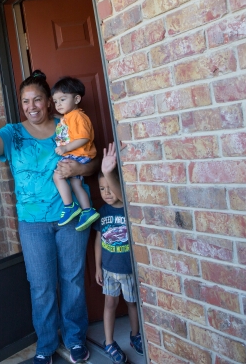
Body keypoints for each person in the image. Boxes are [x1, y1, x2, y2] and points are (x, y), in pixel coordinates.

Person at [0, 70, 96, 364]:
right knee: (42, 285)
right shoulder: (13, 133)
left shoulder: (66, 125)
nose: (32, 106)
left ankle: (75, 340)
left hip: (72, 218)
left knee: (73, 281)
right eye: (26, 101)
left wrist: (78, 170)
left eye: (38, 99)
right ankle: (46, 344)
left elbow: (90, 164)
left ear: (49, 101)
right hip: (33, 223)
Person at [94, 143, 143, 363]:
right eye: (102, 189)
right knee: (110, 305)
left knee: (132, 304)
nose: (107, 193)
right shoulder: (102, 212)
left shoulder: (126, 207)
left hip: (128, 269)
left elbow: (121, 195)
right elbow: (98, 240)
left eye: (110, 188)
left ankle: (135, 336)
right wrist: (97, 267)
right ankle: (109, 342)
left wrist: (108, 171)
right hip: (110, 270)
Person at [51, 77, 99, 231]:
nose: (58, 104)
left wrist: (66, 149)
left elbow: (84, 137)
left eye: (62, 99)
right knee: (76, 183)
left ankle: (69, 206)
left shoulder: (77, 116)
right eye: (55, 101)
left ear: (77, 99)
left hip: (78, 154)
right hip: (78, 155)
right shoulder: (69, 116)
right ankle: (87, 211)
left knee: (57, 176)